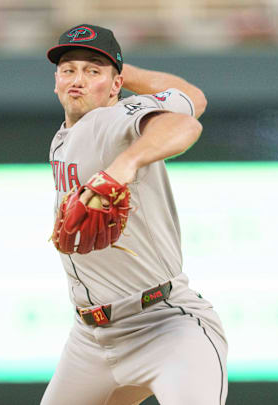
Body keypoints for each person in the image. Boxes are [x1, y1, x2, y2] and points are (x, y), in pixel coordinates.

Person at [42, 24, 228, 405]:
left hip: (164, 326)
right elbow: (193, 99)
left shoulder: (110, 121)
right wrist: (115, 70)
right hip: (91, 340)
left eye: (93, 71)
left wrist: (121, 168)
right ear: (56, 81)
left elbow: (183, 123)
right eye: (69, 69)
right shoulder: (65, 134)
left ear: (115, 87)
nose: (78, 79)